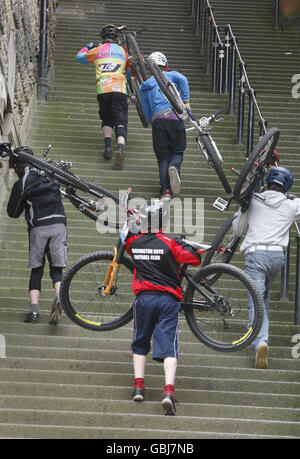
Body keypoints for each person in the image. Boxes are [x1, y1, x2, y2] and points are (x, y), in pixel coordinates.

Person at [125, 200, 201, 415]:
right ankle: (168, 392)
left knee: (139, 343)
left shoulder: (134, 242)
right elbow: (194, 259)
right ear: (166, 221)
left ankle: (138, 387)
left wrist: (133, 222)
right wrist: (189, 247)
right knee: (169, 347)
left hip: (144, 299)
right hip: (168, 300)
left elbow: (125, 239)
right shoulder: (170, 243)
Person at [232, 166, 300, 369]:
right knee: (263, 295)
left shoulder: (253, 200)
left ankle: (260, 340)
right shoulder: (292, 204)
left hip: (256, 255)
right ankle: (260, 329)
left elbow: (237, 230)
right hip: (277, 257)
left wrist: (243, 207)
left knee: (255, 299)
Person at [7, 146, 68, 325]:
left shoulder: (23, 181)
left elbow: (13, 212)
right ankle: (58, 296)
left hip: (39, 227)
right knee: (57, 269)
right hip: (59, 224)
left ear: (17, 165)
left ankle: (34, 313)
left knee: (37, 269)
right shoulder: (50, 172)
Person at [76, 24, 131, 170]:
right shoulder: (123, 51)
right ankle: (120, 148)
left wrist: (87, 46)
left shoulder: (97, 50)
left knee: (106, 119)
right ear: (117, 38)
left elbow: (80, 58)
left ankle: (108, 147)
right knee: (121, 120)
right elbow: (129, 70)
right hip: (119, 89)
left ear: (102, 38)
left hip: (103, 90)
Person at [140, 52, 190, 201]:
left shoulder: (145, 85)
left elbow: (145, 109)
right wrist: (186, 102)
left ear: (150, 70)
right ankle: (174, 167)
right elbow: (184, 79)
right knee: (178, 150)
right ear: (165, 66)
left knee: (162, 157)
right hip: (175, 116)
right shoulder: (172, 75)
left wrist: (152, 121)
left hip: (158, 120)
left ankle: (165, 191)